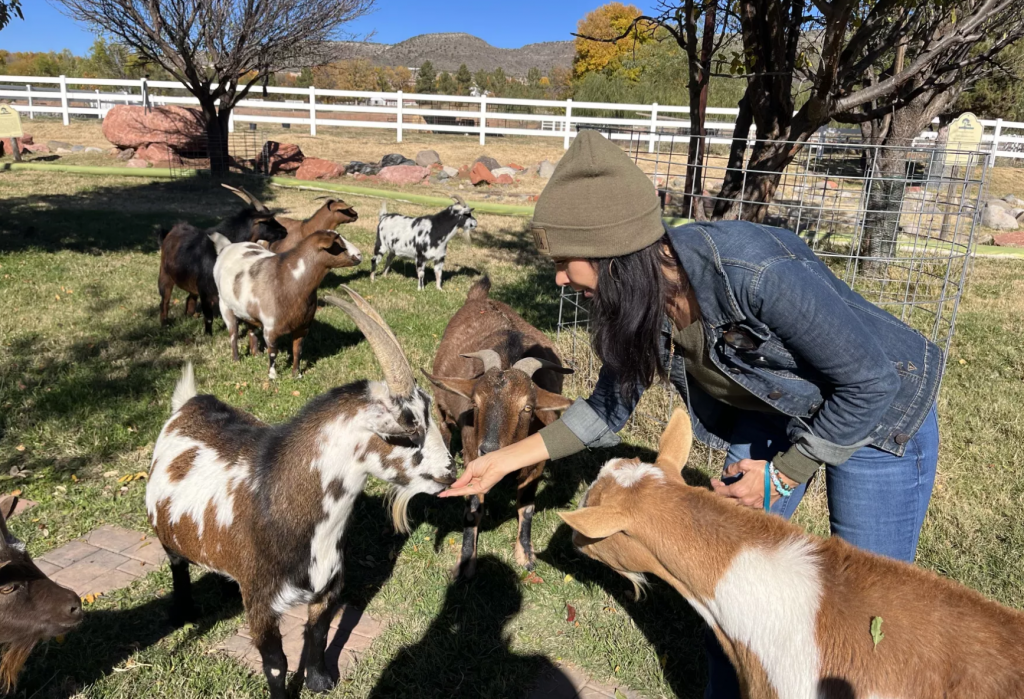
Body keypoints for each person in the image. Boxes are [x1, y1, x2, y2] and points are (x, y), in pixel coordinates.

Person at [439, 130, 941, 698]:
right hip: (773, 414)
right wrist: (501, 461)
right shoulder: (639, 300)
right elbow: (606, 411)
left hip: (880, 414)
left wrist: (782, 474)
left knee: (866, 609)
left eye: (563, 262)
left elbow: (867, 382)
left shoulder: (753, 272)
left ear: (608, 252)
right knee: (730, 587)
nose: (558, 278)